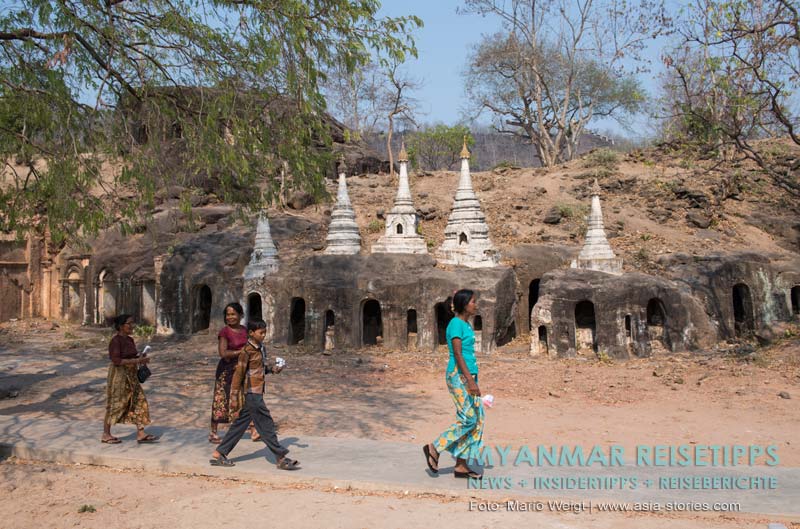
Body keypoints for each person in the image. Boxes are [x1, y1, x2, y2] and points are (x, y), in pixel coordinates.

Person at [210, 319, 299, 470]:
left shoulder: (260, 349)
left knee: (239, 425)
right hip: (252, 394)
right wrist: (233, 396)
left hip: (257, 391)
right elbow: (239, 374)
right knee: (266, 424)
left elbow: (259, 369)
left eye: (265, 332)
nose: (264, 335)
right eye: (261, 332)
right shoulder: (246, 351)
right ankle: (280, 457)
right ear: (251, 333)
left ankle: (220, 453)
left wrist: (273, 369)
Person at [423, 289, 484, 478]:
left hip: (470, 375)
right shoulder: (456, 324)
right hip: (459, 376)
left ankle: (461, 465)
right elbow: (457, 354)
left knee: (478, 420)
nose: (476, 305)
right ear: (464, 304)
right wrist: (469, 381)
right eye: (473, 302)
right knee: (468, 419)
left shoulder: (466, 324)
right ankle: (435, 447)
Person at [102, 314, 159, 444]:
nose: (132, 326)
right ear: (121, 326)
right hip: (119, 376)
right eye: (129, 323)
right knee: (116, 404)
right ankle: (106, 434)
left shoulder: (130, 340)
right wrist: (137, 360)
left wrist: (141, 356)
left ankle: (141, 433)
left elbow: (132, 355)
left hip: (132, 376)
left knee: (139, 401)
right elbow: (116, 360)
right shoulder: (115, 341)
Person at [209, 302, 251, 444]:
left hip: (242, 369)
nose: (230, 317)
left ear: (240, 315)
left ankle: (252, 427)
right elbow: (223, 353)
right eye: (228, 314)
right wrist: (241, 352)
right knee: (222, 399)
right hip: (226, 371)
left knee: (244, 398)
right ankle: (213, 432)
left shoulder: (245, 330)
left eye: (233, 314)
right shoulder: (224, 332)